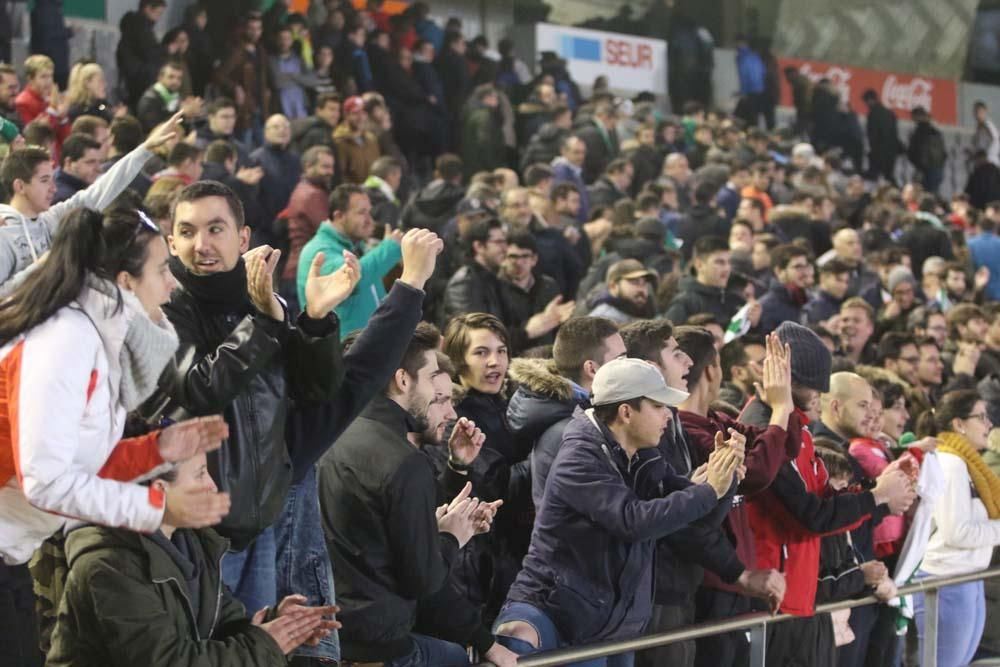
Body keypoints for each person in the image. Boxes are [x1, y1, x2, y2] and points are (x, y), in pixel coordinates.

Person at [0, 207, 231, 666]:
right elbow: (44, 481)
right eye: (163, 269)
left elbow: (75, 463)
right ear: (125, 281)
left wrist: (154, 451)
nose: (173, 283)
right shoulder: (64, 340)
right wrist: (157, 507)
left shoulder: (95, 335)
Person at [156, 180, 352, 614]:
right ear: (171, 241)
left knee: (255, 650)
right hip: (197, 530)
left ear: (243, 238)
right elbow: (199, 388)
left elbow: (315, 389)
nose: (201, 244)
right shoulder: (164, 310)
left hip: (264, 520)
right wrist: (263, 322)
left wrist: (316, 323)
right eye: (187, 232)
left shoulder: (262, 299)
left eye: (215, 229)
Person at [495, 357, 741, 666]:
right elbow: (633, 521)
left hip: (614, 623)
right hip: (565, 619)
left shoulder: (643, 455)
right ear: (626, 411)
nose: (669, 414)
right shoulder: (578, 457)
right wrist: (708, 491)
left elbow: (697, 519)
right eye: (658, 406)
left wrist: (725, 475)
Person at [319, 322, 517, 667]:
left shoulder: (328, 433)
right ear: (402, 380)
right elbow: (423, 580)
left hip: (330, 636)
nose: (450, 411)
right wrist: (451, 538)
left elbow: (385, 530)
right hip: (376, 645)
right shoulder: (402, 461)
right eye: (432, 383)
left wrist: (453, 480)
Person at [46, 452, 339, 666]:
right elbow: (167, 661)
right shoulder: (107, 565)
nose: (212, 486)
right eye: (200, 474)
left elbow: (220, 624)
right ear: (159, 493)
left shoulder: (192, 540)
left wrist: (274, 627)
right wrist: (265, 644)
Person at [675, 329, 796, 667]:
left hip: (737, 583)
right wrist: (780, 407)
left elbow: (784, 445)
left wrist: (781, 405)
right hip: (712, 584)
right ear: (713, 370)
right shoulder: (685, 429)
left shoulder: (717, 419)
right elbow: (756, 476)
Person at [0, 111, 182, 289]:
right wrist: (41, 267)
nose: (53, 189)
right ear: (20, 186)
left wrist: (145, 149)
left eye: (52, 180)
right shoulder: (4, 233)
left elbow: (101, 190)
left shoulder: (50, 220)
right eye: (44, 181)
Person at [913, 390, 1000, 667]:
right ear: (958, 424)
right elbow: (957, 531)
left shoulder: (966, 463)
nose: (989, 425)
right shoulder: (951, 464)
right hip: (945, 580)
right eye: (982, 417)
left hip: (967, 575)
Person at [297, 183, 400, 338]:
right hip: (343, 352)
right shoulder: (318, 251)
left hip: (369, 344)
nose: (369, 220)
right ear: (339, 216)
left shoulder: (356, 245)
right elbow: (352, 280)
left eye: (369, 212)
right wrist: (389, 248)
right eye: (361, 213)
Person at [280, 145, 336, 311]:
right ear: (308, 167)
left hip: (299, 271)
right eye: (325, 166)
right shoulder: (312, 195)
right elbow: (330, 230)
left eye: (332, 167)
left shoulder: (309, 190)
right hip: (301, 273)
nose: (330, 172)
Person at [665, 236, 758, 327]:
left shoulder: (734, 300)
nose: (727, 268)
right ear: (699, 265)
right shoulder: (684, 303)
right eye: (719, 262)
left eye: (729, 262)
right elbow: (669, 338)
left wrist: (753, 324)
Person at [216, 12, 271, 146]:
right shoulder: (237, 51)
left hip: (260, 106)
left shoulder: (260, 50)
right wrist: (235, 87)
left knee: (263, 146)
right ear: (244, 29)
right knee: (245, 148)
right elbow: (219, 75)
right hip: (244, 109)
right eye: (251, 28)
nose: (255, 32)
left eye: (258, 28)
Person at [251, 114, 301, 225]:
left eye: (285, 127)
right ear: (266, 132)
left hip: (291, 224)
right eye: (276, 127)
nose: (282, 130)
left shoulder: (296, 159)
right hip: (265, 227)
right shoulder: (256, 159)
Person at [14, 54, 70, 151]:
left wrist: (62, 119)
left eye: (50, 76)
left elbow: (65, 140)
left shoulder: (50, 99)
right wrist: (52, 109)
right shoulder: (23, 103)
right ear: (30, 79)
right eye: (43, 77)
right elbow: (36, 137)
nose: (48, 81)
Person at [116, 0, 166, 108]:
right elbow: (151, 54)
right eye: (158, 13)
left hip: (135, 80)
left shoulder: (135, 28)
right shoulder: (141, 29)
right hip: (139, 82)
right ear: (147, 8)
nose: (158, 17)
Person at [756, 243, 813, 333]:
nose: (805, 273)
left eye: (805, 266)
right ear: (779, 271)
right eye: (798, 267)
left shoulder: (810, 299)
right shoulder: (765, 307)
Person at [136, 61, 201, 134]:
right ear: (160, 78)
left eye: (179, 78)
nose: (175, 81)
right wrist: (183, 113)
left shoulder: (177, 97)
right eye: (171, 77)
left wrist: (192, 114)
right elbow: (154, 128)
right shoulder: (149, 100)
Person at [588, 258, 658, 324]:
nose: (641, 289)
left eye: (644, 284)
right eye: (634, 282)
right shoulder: (601, 320)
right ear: (613, 286)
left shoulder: (647, 314)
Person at [334, 95, 381, 184]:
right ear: (346, 115)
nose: (361, 117)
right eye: (355, 113)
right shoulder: (340, 141)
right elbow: (341, 175)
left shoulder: (371, 138)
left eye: (363, 112)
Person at [862, 89, 902, 184]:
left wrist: (873, 150)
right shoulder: (890, 113)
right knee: (888, 176)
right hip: (891, 150)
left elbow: (873, 135)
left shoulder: (873, 114)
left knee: (874, 177)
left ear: (870, 100)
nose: (866, 105)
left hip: (879, 151)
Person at [52, 133, 102, 204]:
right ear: (68, 163)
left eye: (100, 162)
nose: (99, 169)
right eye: (90, 162)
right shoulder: (65, 200)